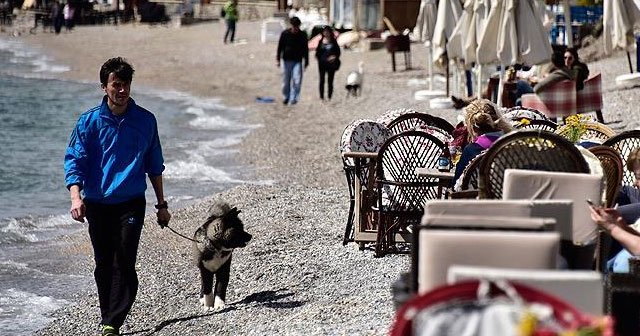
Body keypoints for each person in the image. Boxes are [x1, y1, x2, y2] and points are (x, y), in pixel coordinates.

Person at [64, 57, 171, 336]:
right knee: (103, 264)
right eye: (116, 85)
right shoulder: (88, 122)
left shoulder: (146, 121)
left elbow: (154, 165)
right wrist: (76, 198)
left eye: (126, 85)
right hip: (97, 203)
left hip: (131, 202)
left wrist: (162, 205)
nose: (122, 90)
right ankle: (107, 317)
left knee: (123, 259)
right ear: (104, 87)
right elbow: (74, 161)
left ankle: (112, 322)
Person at [452, 99, 512, 188]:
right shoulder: (511, 144)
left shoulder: (471, 150)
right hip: (506, 194)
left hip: (478, 198)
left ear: (474, 128)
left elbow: (457, 183)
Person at [276, 16, 309, 105]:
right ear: (291, 25)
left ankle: (294, 98)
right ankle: (286, 96)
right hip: (286, 60)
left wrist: (306, 61)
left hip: (297, 61)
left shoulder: (303, 35)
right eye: (294, 26)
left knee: (297, 80)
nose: (295, 28)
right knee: (286, 81)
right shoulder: (285, 34)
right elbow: (280, 47)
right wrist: (278, 59)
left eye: (297, 27)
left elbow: (306, 49)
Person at [315, 25, 340, 101]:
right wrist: (320, 59)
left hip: (331, 65)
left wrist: (334, 57)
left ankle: (329, 96)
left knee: (330, 81)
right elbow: (317, 53)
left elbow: (338, 52)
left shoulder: (334, 41)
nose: (326, 33)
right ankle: (321, 97)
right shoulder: (320, 41)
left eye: (327, 31)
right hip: (322, 64)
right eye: (324, 31)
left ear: (330, 32)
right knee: (322, 80)